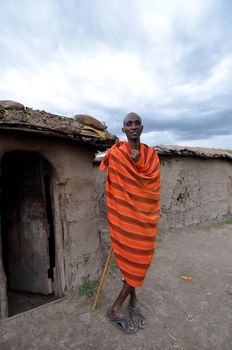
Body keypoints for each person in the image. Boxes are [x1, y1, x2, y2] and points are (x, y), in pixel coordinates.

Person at [100, 112, 161, 334]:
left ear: (142, 128)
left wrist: (138, 163)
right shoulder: (116, 155)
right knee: (131, 263)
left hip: (145, 220)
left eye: (136, 123)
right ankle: (116, 309)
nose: (133, 127)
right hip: (125, 219)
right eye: (128, 124)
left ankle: (132, 303)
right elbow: (117, 187)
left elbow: (153, 185)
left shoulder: (151, 155)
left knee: (139, 261)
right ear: (124, 129)